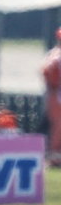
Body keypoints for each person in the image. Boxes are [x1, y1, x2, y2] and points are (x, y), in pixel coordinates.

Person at [44, 28, 61, 166]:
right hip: (57, 95)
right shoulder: (56, 56)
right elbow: (48, 75)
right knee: (58, 126)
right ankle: (54, 155)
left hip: (55, 94)